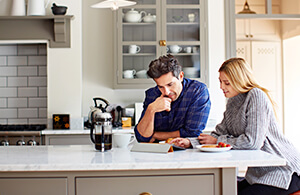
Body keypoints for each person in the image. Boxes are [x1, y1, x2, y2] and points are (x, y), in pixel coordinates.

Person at [170, 57, 300, 195]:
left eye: (226, 82)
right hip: (259, 174)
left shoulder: (256, 95)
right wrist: (190, 142)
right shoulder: (232, 102)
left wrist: (218, 142)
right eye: (220, 81)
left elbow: (252, 142)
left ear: (240, 80)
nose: (221, 87)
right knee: (220, 189)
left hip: (283, 172)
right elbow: (218, 134)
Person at [134, 54, 211, 143]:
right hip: (157, 153)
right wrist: (151, 109)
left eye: (170, 84)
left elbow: (192, 133)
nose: (166, 92)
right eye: (160, 87)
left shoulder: (198, 91)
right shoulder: (152, 94)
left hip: (186, 153)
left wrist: (155, 135)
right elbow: (142, 137)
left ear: (181, 76)